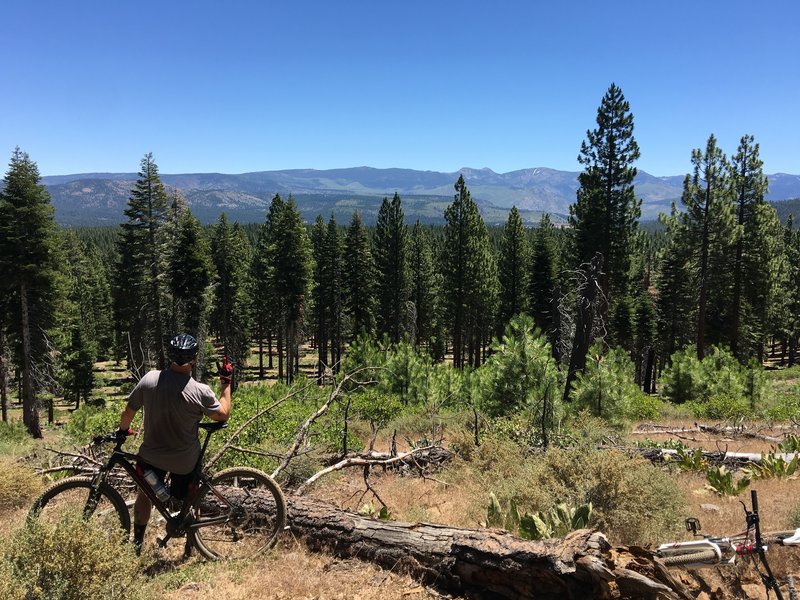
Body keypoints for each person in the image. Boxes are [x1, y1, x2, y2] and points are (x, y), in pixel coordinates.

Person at [117, 333, 233, 553]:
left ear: (169, 356)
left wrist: (123, 431)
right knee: (192, 496)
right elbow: (223, 414)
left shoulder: (149, 379)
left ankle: (137, 545)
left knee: (145, 495)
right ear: (194, 359)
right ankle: (191, 545)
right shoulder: (200, 391)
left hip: (152, 456)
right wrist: (226, 384)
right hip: (184, 461)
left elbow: (127, 412)